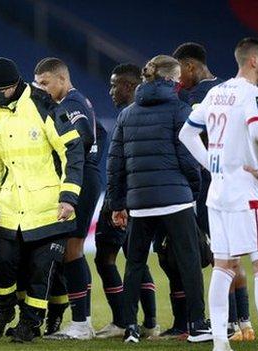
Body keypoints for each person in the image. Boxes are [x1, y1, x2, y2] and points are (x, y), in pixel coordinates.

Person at [179, 37, 258, 351]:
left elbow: (187, 133)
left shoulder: (215, 92)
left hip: (218, 194)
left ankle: (221, 342)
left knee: (223, 266)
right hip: (247, 193)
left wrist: (212, 164)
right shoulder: (254, 94)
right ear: (253, 61)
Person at [106, 54, 211, 343]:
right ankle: (198, 323)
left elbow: (115, 164)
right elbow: (188, 159)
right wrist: (191, 189)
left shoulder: (127, 114)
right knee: (189, 261)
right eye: (177, 80)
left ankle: (130, 328)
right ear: (170, 79)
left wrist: (118, 203)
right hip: (176, 198)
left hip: (139, 202)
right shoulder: (179, 110)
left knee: (135, 264)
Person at [0, 57, 84, 343]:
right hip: (12, 209)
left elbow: (72, 150)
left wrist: (69, 197)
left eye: (0, 91)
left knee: (42, 270)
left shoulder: (44, 106)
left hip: (49, 208)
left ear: (15, 85)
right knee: (2, 262)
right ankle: (3, 310)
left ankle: (30, 321)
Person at [174, 42, 253, 341]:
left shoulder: (214, 94)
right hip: (214, 184)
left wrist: (213, 165)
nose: (179, 79)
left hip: (217, 185)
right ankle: (241, 323)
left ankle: (236, 323)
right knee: (228, 255)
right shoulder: (208, 91)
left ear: (191, 65)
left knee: (225, 255)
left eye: (181, 70)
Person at [32, 57, 107, 340]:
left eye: (45, 83)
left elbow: (85, 135)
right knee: (71, 250)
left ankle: (80, 324)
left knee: (72, 250)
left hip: (81, 181)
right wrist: (94, 160)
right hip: (86, 176)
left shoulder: (71, 105)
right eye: (38, 83)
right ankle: (81, 320)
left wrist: (86, 160)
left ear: (62, 79)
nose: (41, 88)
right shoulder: (76, 102)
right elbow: (103, 131)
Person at [93, 63, 158, 339]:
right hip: (134, 196)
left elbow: (124, 163)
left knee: (111, 257)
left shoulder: (130, 117)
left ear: (130, 86)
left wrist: (118, 201)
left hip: (125, 198)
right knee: (135, 258)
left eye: (114, 84)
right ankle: (151, 323)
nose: (110, 91)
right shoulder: (142, 114)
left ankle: (122, 321)